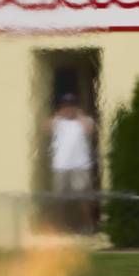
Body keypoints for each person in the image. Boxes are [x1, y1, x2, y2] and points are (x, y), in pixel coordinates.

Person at [47, 94, 96, 231]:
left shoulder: (85, 120)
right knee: (58, 199)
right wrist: (58, 115)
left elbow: (90, 130)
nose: (69, 109)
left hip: (81, 166)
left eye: (71, 105)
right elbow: (45, 127)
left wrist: (79, 115)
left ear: (76, 106)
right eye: (66, 106)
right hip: (60, 166)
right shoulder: (58, 122)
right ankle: (59, 226)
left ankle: (88, 226)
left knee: (83, 198)